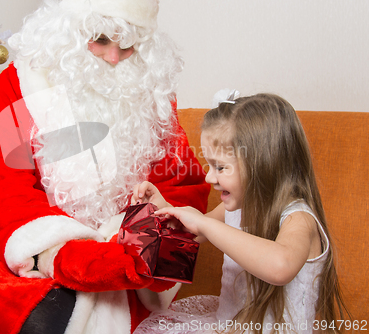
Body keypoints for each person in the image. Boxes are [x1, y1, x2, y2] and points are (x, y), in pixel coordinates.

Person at [0, 0, 210, 333]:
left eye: (128, 46)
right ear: (70, 32)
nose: (113, 58)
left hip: (125, 269)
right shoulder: (20, 90)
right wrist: (67, 253)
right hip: (36, 259)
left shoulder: (149, 96)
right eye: (101, 40)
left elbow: (180, 190)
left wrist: (132, 254)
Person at [132, 92, 349, 334]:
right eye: (209, 165)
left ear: (262, 164)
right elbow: (189, 234)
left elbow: (280, 267)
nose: (209, 177)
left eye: (221, 167)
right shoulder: (233, 210)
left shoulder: (299, 219)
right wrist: (163, 209)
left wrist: (205, 225)